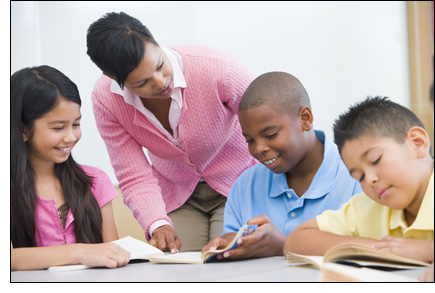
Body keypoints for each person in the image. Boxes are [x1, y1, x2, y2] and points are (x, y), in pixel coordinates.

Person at [86, 12, 257, 252]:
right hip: (177, 194)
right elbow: (133, 173)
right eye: (142, 83)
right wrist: (157, 224)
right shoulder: (106, 99)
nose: (160, 82)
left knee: (226, 259)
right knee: (177, 267)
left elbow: (270, 124)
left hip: (239, 183)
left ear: (154, 39)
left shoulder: (217, 68)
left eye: (159, 66)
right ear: (111, 77)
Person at [201, 72, 362, 260]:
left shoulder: (358, 176)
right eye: (250, 140)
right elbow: (235, 240)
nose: (259, 149)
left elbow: (373, 252)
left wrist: (284, 246)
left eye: (270, 134)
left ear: (305, 118)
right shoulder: (245, 185)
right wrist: (230, 242)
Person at [284, 97, 434, 273]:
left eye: (375, 160)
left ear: (417, 143)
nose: (369, 179)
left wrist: (426, 250)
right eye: (359, 176)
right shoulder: (367, 208)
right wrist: (385, 250)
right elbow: (295, 241)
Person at [10, 65, 130, 271]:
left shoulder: (94, 180)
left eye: (76, 124)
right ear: (23, 130)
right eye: (58, 127)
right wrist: (80, 252)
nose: (71, 137)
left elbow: (111, 253)